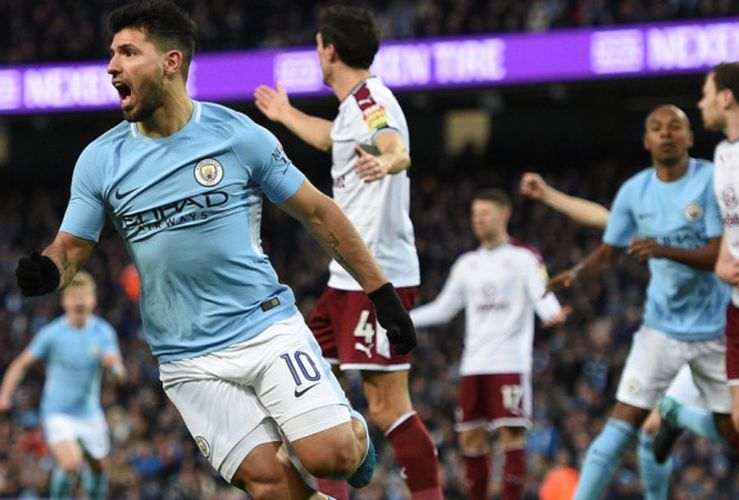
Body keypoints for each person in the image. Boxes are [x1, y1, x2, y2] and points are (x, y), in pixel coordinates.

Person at [13, 1, 418, 498]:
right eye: (111, 53)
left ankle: (350, 431)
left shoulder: (236, 135)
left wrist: (381, 294)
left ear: (170, 61)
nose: (111, 66)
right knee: (269, 486)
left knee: (329, 455)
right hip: (186, 358)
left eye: (127, 52)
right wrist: (49, 271)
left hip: (265, 327)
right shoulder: (100, 160)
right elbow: (70, 248)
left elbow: (318, 212)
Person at [254, 6, 442, 499]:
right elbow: (333, 138)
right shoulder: (352, 107)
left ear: (330, 50)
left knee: (385, 407)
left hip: (379, 276)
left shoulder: (373, 101)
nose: (317, 54)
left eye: (318, 46)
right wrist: (285, 114)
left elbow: (393, 143)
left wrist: (391, 161)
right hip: (345, 281)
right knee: (315, 392)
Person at [546, 104, 736, 499]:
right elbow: (609, 250)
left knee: (738, 434)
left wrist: (664, 250)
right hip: (660, 329)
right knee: (624, 423)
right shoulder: (634, 191)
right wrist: (578, 273)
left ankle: (680, 414)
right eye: (656, 127)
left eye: (675, 127)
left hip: (716, 329)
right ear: (647, 140)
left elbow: (718, 254)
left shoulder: (711, 180)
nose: (666, 133)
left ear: (689, 137)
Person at [409, 189, 569, 500]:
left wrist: (552, 313)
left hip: (509, 362)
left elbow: (542, 293)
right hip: (474, 364)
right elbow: (444, 308)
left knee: (511, 435)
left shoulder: (524, 258)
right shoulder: (467, 263)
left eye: (485, 213)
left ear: (504, 214)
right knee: (470, 439)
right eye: (474, 214)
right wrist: (405, 319)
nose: (478, 219)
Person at [0, 271, 125, 500]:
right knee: (70, 463)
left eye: (84, 295)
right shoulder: (52, 334)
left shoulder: (103, 332)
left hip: (89, 413)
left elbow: (119, 372)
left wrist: (114, 369)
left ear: (93, 300)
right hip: (57, 412)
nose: (79, 300)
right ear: (64, 301)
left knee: (98, 469)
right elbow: (21, 363)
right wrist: (4, 394)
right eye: (74, 295)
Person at [699, 60, 739, 483]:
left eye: (706, 93)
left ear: (726, 97)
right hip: (738, 307)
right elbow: (731, 227)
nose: (700, 103)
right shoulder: (722, 153)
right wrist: (721, 264)